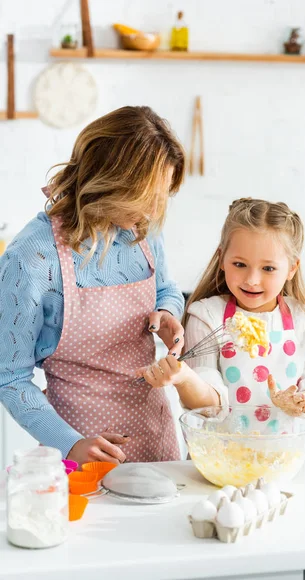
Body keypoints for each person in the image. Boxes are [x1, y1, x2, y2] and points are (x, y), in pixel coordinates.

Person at [0, 106, 186, 465]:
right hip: (81, 450)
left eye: (160, 198)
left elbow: (167, 288)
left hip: (155, 436)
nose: (152, 211)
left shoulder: (142, 230)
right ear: (109, 181)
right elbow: (9, 377)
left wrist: (168, 313)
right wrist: (70, 444)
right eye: (145, 197)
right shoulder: (32, 258)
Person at [138, 198, 305, 427]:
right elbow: (209, 403)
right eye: (240, 265)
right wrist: (184, 378)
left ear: (291, 268)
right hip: (219, 456)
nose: (252, 280)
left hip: (281, 456)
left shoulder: (304, 320)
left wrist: (303, 401)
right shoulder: (207, 316)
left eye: (268, 268)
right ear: (222, 259)